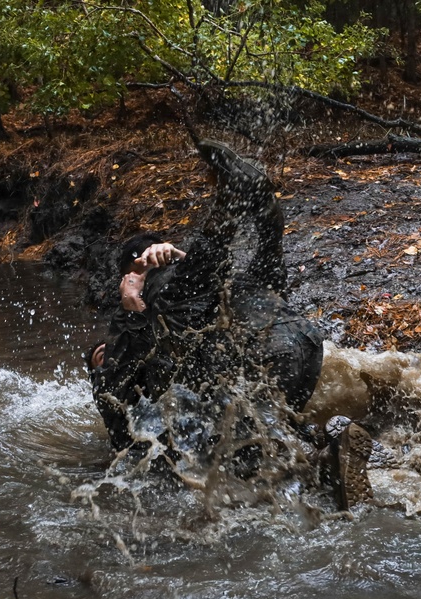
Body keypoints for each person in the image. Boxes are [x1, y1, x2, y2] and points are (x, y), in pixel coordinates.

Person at [87, 140, 376, 507]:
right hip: (299, 352)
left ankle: (250, 210)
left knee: (235, 297)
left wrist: (178, 258)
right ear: (130, 275)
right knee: (214, 308)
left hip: (264, 363)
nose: (156, 268)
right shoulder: (126, 318)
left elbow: (205, 295)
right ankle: (326, 464)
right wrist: (133, 303)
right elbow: (109, 373)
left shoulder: (184, 300)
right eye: (145, 265)